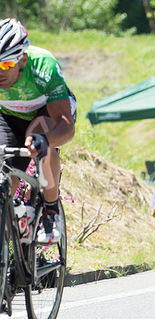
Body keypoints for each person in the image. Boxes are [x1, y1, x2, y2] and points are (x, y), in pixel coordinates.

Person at [0, 18, 76, 245]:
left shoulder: (44, 66)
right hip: (9, 116)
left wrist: (47, 140)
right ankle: (15, 228)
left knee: (41, 138)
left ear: (22, 58)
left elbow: (66, 125)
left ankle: (50, 212)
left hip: (46, 113)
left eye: (5, 65)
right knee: (5, 177)